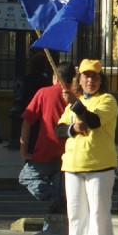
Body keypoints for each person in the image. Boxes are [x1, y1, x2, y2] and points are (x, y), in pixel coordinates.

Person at [57, 59, 118, 235]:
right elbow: (59, 130)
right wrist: (73, 128)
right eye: (86, 76)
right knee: (75, 212)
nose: (90, 80)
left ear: (101, 80)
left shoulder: (107, 100)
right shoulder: (75, 103)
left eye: (94, 76)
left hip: (99, 165)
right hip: (73, 164)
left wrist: (75, 104)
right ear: (79, 80)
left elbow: (93, 121)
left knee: (99, 211)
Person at [19, 58, 72, 222]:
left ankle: (55, 198)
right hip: (68, 153)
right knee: (59, 193)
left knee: (26, 177)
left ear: (55, 77)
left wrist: (23, 150)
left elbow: (27, 121)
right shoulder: (75, 96)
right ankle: (56, 222)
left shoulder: (44, 93)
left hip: (46, 149)